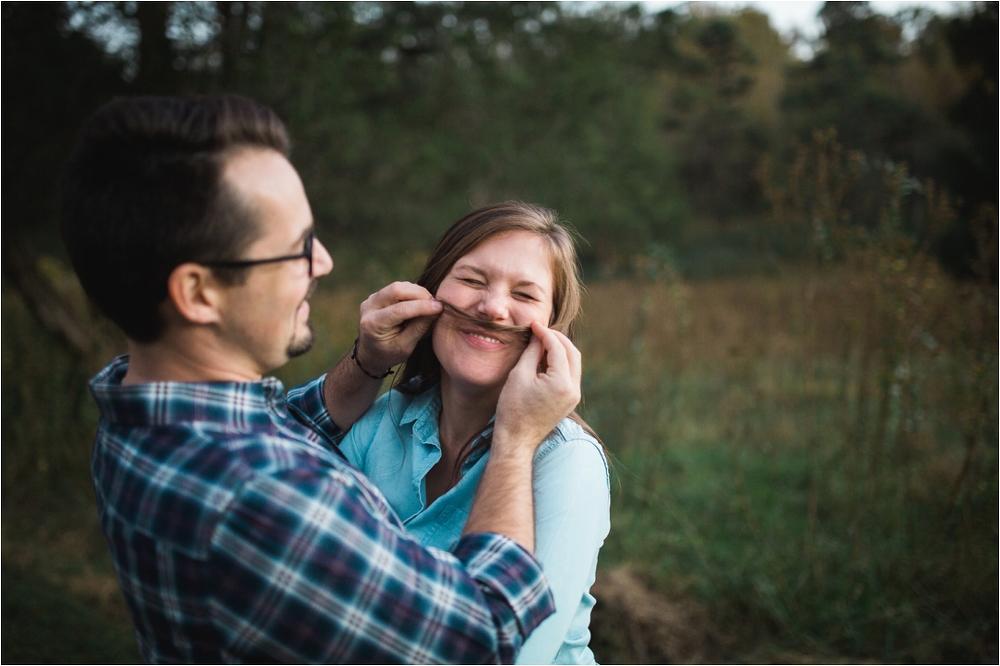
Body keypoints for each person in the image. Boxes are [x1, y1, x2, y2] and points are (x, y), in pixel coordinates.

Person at [59, 95, 583, 663]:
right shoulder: (268, 496)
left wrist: (366, 363)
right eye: (295, 249)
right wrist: (514, 442)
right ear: (198, 293)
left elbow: (276, 429)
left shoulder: (135, 411)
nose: (324, 263)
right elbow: (484, 639)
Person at [339, 202, 611, 664]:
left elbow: (515, 657)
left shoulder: (568, 461)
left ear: (551, 330)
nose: (492, 307)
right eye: (472, 281)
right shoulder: (382, 420)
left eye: (525, 295)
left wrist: (515, 438)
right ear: (431, 293)